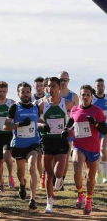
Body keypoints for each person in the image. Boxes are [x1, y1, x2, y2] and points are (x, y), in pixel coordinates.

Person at [69, 84, 107, 215]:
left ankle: (89, 200)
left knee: (91, 178)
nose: (85, 97)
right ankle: (80, 194)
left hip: (93, 147)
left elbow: (104, 129)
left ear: (92, 97)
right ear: (79, 96)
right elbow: (70, 125)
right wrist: (66, 131)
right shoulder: (74, 110)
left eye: (87, 95)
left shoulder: (97, 111)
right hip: (78, 145)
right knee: (77, 170)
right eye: (83, 95)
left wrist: (95, 123)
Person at [37, 77, 73, 213]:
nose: (50, 89)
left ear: (59, 88)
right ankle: (49, 203)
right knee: (48, 174)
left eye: (53, 86)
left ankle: (60, 179)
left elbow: (74, 117)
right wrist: (43, 125)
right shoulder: (42, 104)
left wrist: (68, 129)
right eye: (48, 86)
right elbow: (37, 120)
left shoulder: (67, 103)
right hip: (47, 140)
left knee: (58, 172)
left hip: (61, 140)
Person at [4, 82, 40, 210]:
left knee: (31, 167)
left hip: (33, 143)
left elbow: (37, 123)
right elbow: (6, 126)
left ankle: (33, 199)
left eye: (27, 92)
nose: (25, 94)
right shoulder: (14, 108)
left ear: (30, 93)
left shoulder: (36, 107)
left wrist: (44, 126)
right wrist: (19, 124)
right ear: (18, 94)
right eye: (22, 92)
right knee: (20, 173)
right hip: (18, 145)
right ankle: (22, 184)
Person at [0, 81, 15, 193]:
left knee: (7, 156)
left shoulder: (11, 103)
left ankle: (10, 175)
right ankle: (1, 182)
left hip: (8, 135)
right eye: (0, 91)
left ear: (7, 91)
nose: (2, 94)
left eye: (4, 91)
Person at [59, 71, 79, 190]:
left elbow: (77, 114)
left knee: (65, 156)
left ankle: (62, 180)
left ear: (68, 81)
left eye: (65, 80)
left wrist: (72, 129)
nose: (63, 82)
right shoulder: (53, 94)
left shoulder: (73, 96)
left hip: (69, 130)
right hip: (55, 130)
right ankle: (55, 177)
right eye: (61, 79)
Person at [92, 78, 107, 184]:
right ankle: (98, 170)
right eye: (98, 85)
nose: (100, 87)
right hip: (94, 129)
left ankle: (105, 173)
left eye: (102, 85)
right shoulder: (91, 99)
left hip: (105, 129)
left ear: (104, 87)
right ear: (95, 87)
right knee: (95, 152)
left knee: (103, 149)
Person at [32, 76, 46, 189]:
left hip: (46, 130)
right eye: (37, 86)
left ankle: (45, 175)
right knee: (38, 156)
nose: (39, 88)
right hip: (33, 131)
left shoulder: (49, 98)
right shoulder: (31, 99)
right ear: (34, 86)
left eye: (41, 86)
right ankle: (42, 176)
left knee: (46, 155)